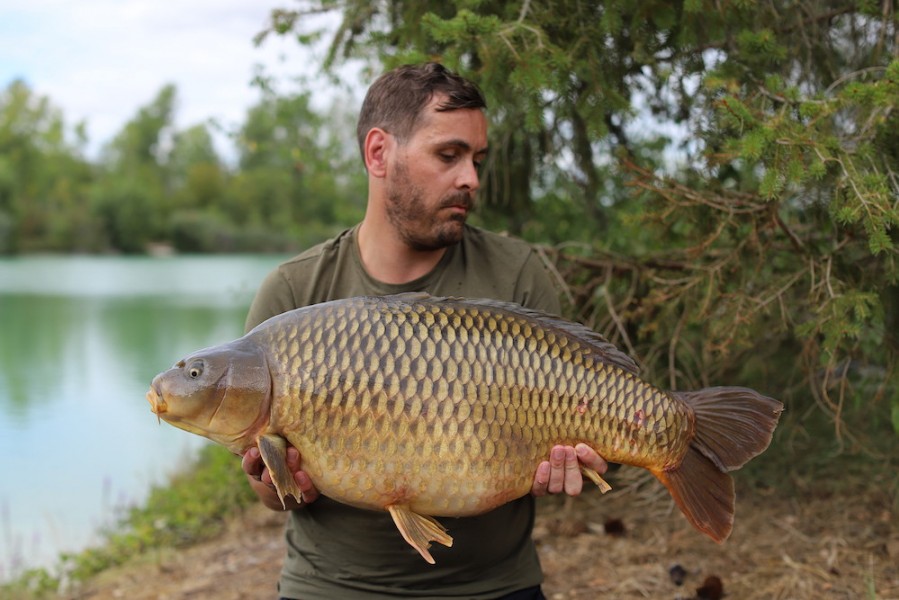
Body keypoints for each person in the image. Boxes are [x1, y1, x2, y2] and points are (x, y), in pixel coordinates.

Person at [241, 62, 608, 600]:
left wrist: (572, 460)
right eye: (448, 155)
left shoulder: (516, 273)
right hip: (332, 588)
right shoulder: (294, 294)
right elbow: (272, 497)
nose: (471, 179)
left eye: (477, 159)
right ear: (378, 153)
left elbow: (563, 444)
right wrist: (276, 481)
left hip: (493, 588)